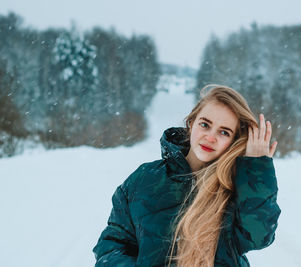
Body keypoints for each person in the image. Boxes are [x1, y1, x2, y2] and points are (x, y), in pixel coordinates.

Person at [93, 84, 281, 267]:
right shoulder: (144, 179)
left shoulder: (236, 189)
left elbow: (258, 236)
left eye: (224, 132)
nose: (211, 137)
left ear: (233, 141)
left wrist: (257, 169)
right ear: (191, 123)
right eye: (205, 124)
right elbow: (111, 247)